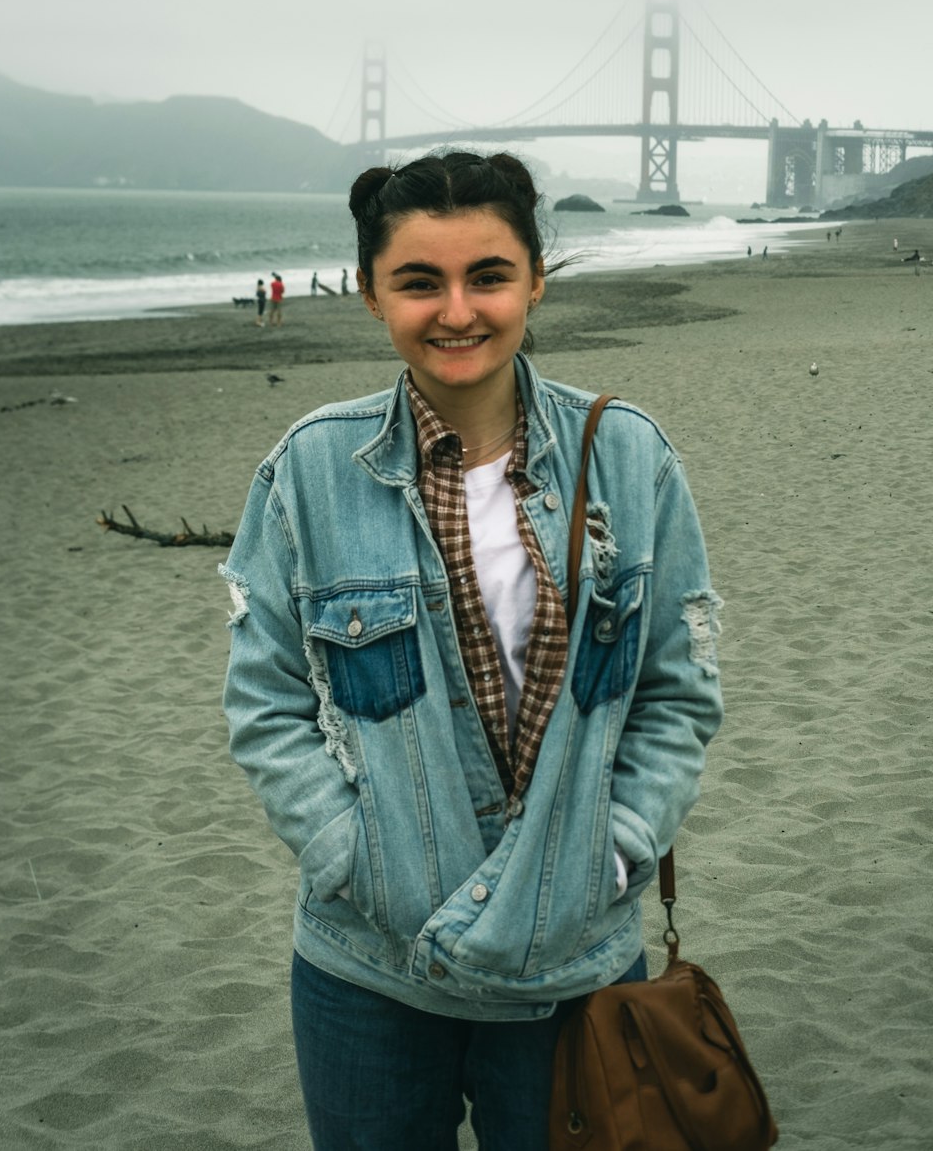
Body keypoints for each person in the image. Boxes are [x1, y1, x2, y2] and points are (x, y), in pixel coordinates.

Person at [221, 151, 723, 1151]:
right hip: (371, 968)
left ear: (537, 279)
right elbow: (265, 704)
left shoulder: (628, 455)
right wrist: (346, 854)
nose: (458, 310)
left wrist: (616, 848)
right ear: (371, 293)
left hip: (576, 960)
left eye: (488, 276)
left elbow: (679, 690)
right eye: (419, 281)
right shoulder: (310, 471)